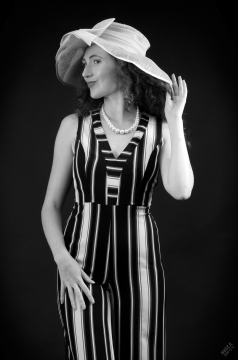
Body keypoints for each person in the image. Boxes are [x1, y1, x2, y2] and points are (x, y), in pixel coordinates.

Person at [41, 18, 194, 360]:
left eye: (96, 60)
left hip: (141, 271)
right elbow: (50, 205)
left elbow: (181, 190)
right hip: (80, 268)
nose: (86, 71)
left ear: (124, 66)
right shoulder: (73, 128)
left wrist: (176, 120)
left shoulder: (160, 129)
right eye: (85, 64)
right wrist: (62, 260)